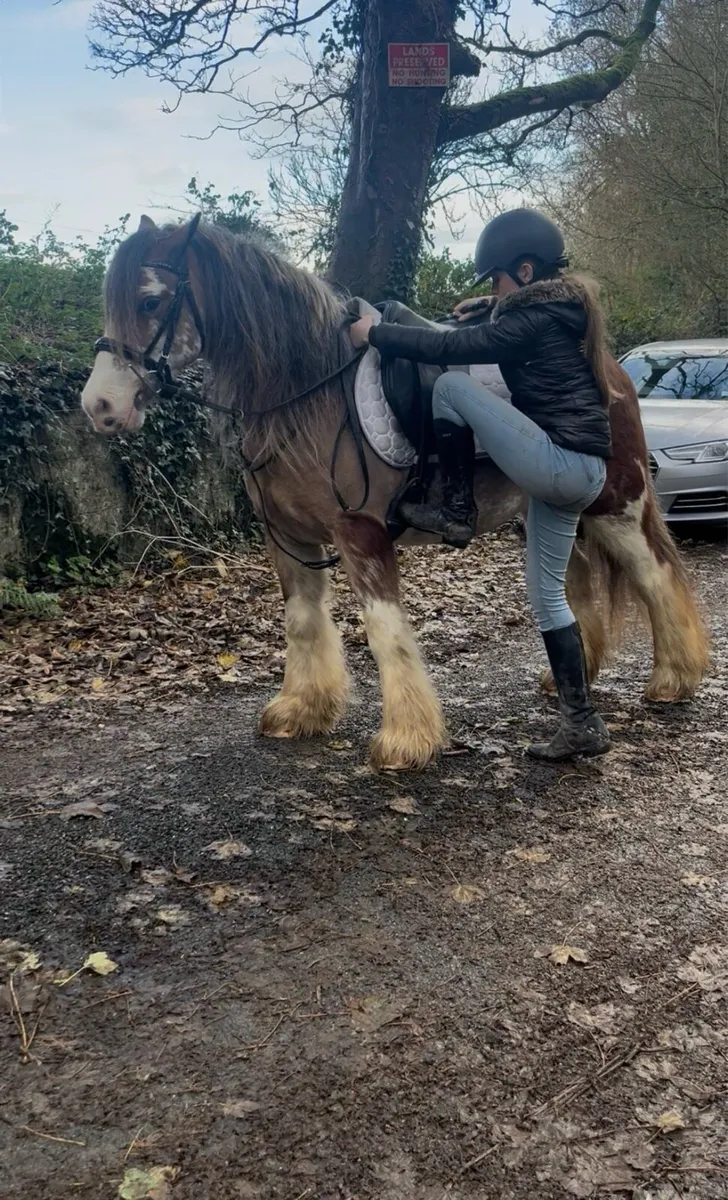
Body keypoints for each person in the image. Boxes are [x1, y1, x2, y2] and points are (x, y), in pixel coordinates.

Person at [349, 208, 613, 762]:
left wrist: (375, 333)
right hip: (578, 473)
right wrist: (491, 306)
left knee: (450, 387)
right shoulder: (560, 312)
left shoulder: (534, 322)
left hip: (559, 463)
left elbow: (450, 350)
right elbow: (515, 316)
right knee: (547, 599)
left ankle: (456, 506)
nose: (493, 289)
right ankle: (582, 724)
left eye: (496, 279)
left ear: (525, 269)